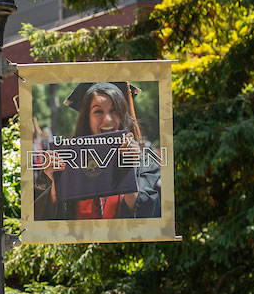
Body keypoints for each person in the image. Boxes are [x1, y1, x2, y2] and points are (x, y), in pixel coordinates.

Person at [34, 82, 161, 220]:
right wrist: (58, 184)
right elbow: (46, 221)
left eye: (115, 111)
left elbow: (148, 217)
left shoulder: (144, 165)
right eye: (98, 111)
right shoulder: (67, 162)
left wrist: (128, 168)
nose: (107, 120)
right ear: (87, 118)